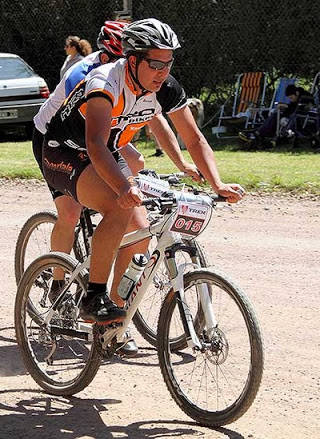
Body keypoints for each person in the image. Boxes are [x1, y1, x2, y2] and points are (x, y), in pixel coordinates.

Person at [41, 18, 245, 331]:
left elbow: (193, 138)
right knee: (116, 202)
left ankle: (113, 318)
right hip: (65, 150)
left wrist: (217, 182)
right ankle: (93, 297)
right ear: (133, 60)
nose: (163, 72)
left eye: (168, 63)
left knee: (139, 235)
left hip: (106, 151)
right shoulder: (104, 81)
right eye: (155, 64)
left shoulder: (163, 88)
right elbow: (94, 144)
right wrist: (123, 188)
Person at [240, 84, 313, 146]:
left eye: (291, 97)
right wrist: (284, 107)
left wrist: (286, 106)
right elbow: (292, 108)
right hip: (291, 117)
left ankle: (256, 134)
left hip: (297, 120)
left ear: (296, 93)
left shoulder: (305, 97)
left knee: (275, 117)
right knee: (275, 116)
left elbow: (299, 109)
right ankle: (257, 133)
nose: (291, 99)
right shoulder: (297, 98)